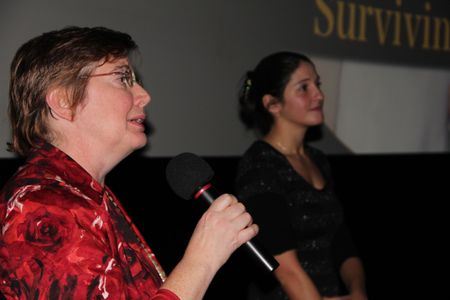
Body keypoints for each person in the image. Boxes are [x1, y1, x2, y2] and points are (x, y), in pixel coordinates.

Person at [0, 26, 258, 299]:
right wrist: (202, 260)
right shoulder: (43, 209)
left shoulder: (83, 195)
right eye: (123, 78)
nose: (144, 95)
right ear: (64, 100)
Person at [235, 51, 368, 300]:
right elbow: (285, 269)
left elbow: (341, 241)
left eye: (317, 84)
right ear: (272, 104)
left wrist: (358, 292)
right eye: (303, 88)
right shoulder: (260, 166)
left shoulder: (317, 160)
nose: (319, 95)